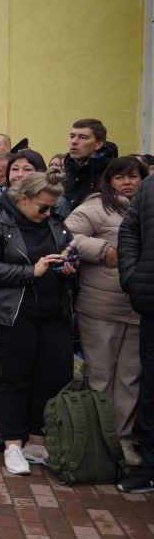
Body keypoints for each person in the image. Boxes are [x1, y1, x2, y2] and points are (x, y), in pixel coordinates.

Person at [0, 171, 76, 475]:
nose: (48, 213)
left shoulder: (57, 224)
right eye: (42, 207)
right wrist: (31, 272)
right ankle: (12, 444)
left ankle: (36, 441)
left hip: (55, 312)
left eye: (52, 208)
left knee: (54, 377)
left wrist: (70, 264)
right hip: (12, 313)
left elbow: (69, 251)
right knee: (14, 378)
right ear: (23, 199)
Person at [67, 156, 149, 468]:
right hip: (100, 307)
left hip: (137, 308)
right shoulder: (96, 206)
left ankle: (123, 443)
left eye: (133, 176)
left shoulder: (146, 205)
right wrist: (103, 251)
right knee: (100, 377)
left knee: (129, 380)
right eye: (119, 177)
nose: (127, 182)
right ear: (109, 180)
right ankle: (97, 442)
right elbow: (66, 234)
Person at [118, 172, 154, 492]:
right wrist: (133, 276)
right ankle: (150, 468)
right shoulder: (150, 187)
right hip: (151, 303)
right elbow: (129, 231)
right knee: (151, 390)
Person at [63, 118, 117, 210]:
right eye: (72, 136)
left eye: (82, 137)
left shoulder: (112, 173)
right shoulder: (67, 168)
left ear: (98, 144)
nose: (74, 142)